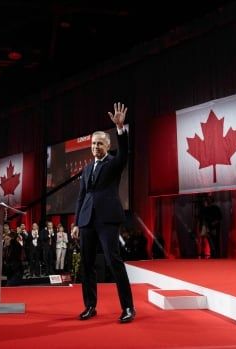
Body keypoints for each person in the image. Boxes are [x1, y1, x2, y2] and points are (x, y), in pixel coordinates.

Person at [75, 102, 135, 323]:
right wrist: (75, 223)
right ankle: (90, 306)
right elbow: (81, 196)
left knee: (114, 263)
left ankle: (128, 308)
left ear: (108, 145)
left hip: (107, 220)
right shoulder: (87, 169)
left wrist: (120, 129)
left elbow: (124, 154)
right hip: (86, 220)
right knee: (87, 265)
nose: (95, 146)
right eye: (93, 143)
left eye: (99, 143)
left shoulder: (114, 163)